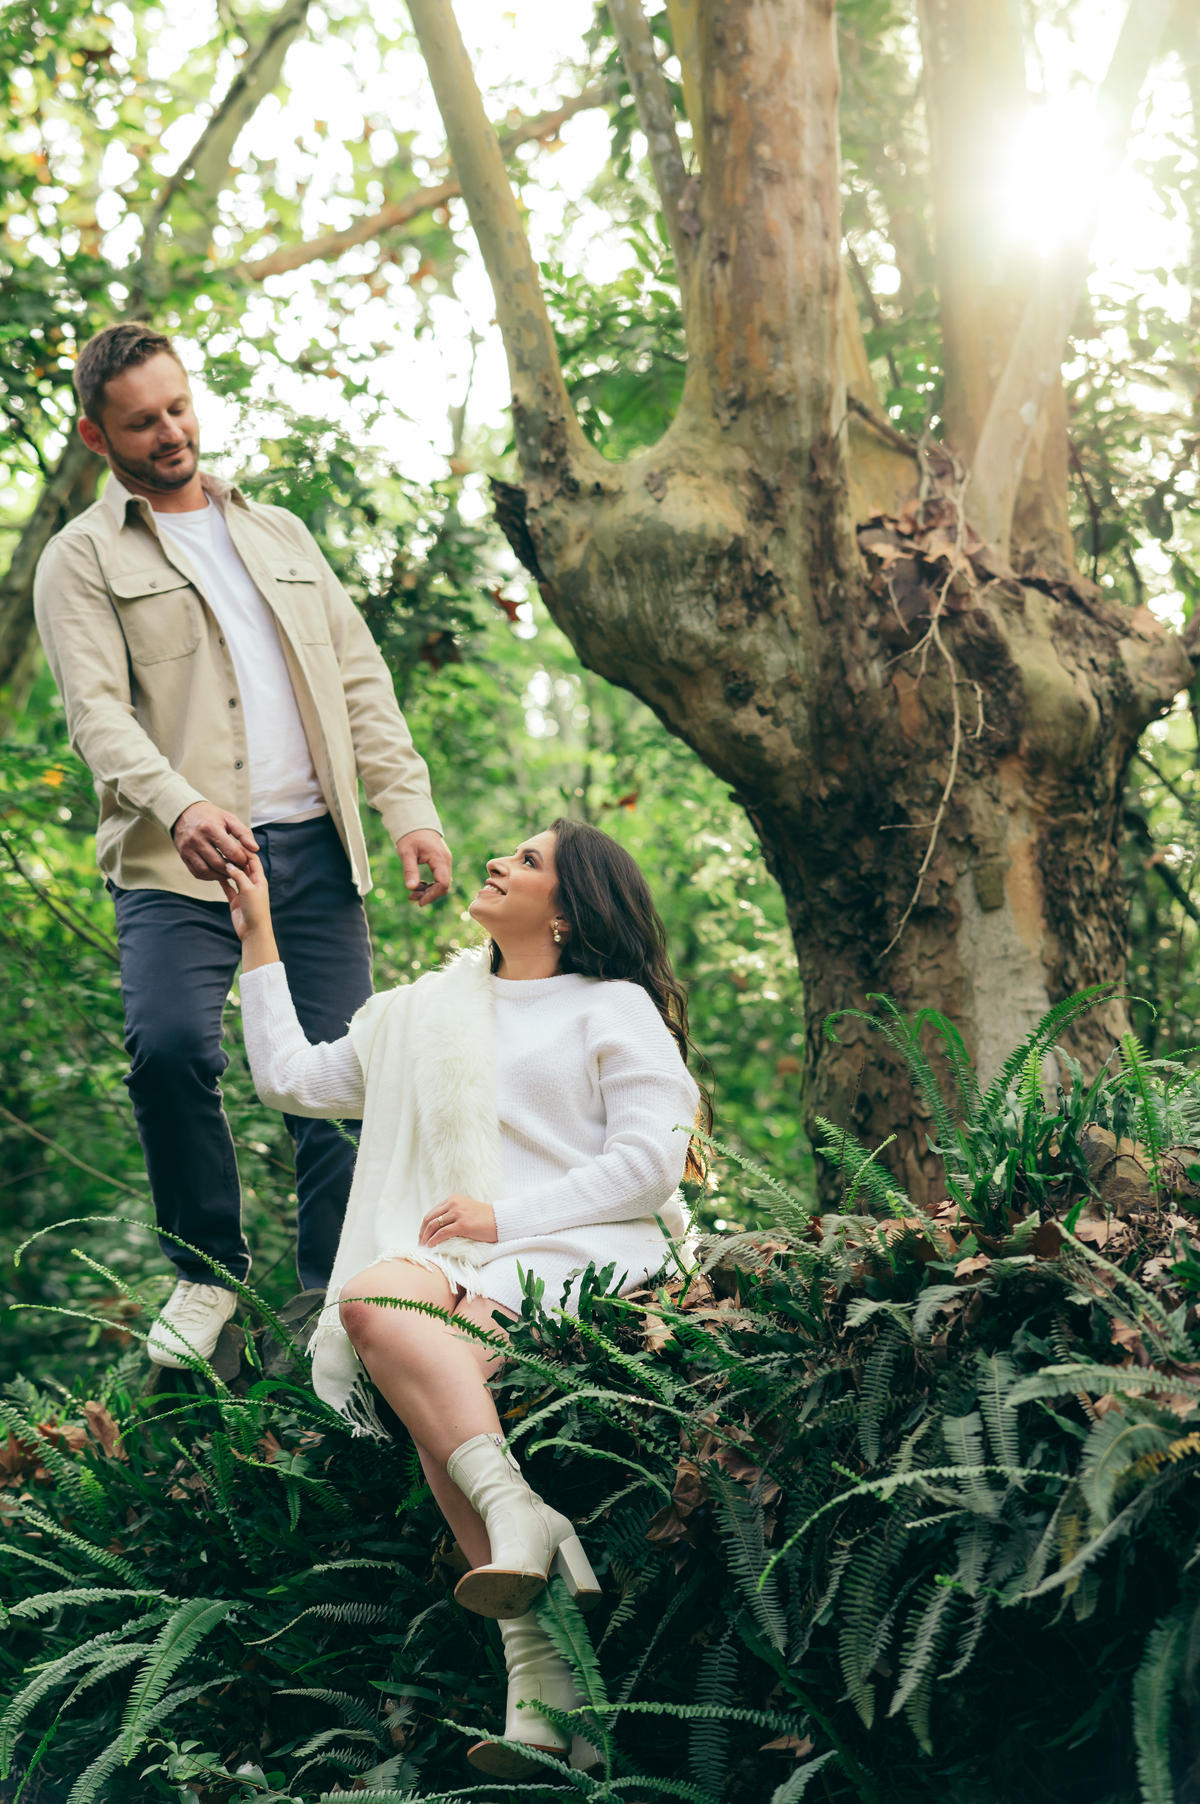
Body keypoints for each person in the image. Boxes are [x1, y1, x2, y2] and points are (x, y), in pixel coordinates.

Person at [223, 817, 704, 1777]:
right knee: (370, 1301)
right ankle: (520, 1523)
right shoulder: (425, 1011)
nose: (498, 861)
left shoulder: (611, 1006)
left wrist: (504, 1216)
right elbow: (287, 1079)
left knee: (392, 1324)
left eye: (529, 861)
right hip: (471, 1269)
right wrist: (256, 932)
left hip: (589, 1258)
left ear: (568, 913)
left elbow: (649, 1166)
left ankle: (538, 1668)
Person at [33, 322, 451, 1369]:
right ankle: (207, 1267)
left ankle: (334, 1303)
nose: (171, 432)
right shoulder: (79, 560)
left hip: (313, 847)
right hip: (177, 860)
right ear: (98, 434)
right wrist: (179, 805)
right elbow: (96, 715)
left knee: (337, 1089)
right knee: (170, 1044)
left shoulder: (280, 534)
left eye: (178, 407)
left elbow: (358, 679)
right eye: (142, 420)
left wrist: (411, 809)